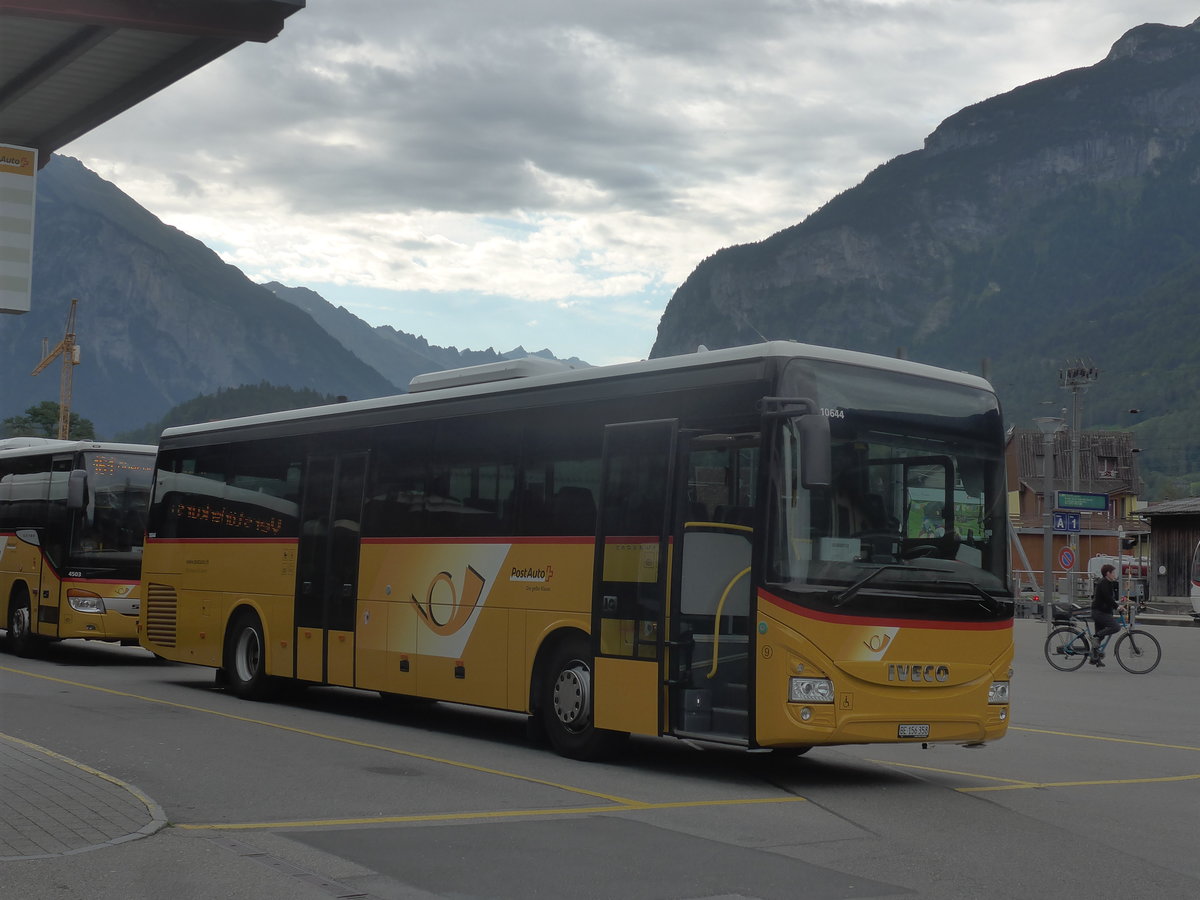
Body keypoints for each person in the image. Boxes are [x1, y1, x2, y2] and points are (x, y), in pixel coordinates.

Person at [1090, 563, 1121, 666]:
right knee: (1115, 627)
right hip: (1099, 612)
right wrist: (1117, 607)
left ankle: (1094, 658)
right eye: (1113, 572)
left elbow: (1110, 598)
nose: (1115, 574)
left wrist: (1117, 603)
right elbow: (1108, 598)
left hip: (1102, 612)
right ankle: (1096, 637)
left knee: (1100, 638)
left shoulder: (1108, 583)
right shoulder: (1103, 583)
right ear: (1108, 573)